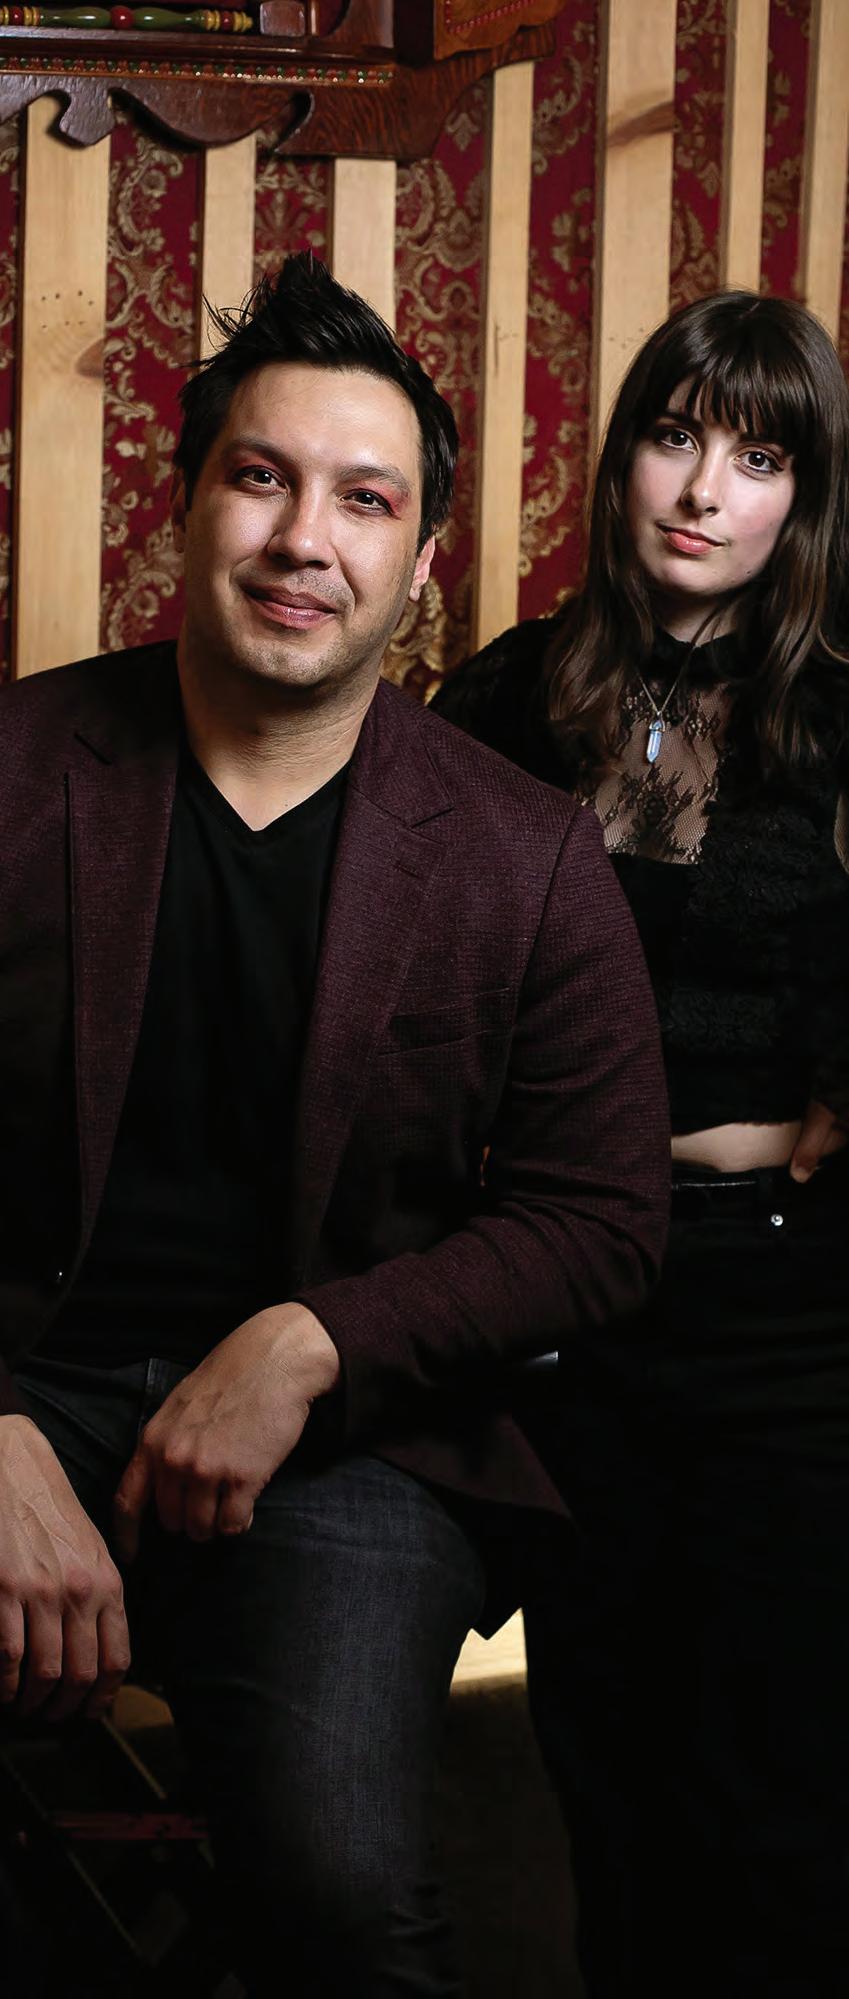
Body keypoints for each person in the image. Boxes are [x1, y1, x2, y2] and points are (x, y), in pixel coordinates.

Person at [0, 253, 667, 1996]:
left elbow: (601, 1220)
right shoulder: (14, 767)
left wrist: (311, 1344)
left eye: (364, 500)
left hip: (348, 1445)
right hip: (20, 1383)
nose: (306, 540)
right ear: (183, 505)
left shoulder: (525, 854)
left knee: (342, 1890)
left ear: (421, 561)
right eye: (261, 478)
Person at [434, 288, 849, 1999]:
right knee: (601, 1759)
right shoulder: (508, 696)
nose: (700, 491)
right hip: (570, 1293)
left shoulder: (834, 715)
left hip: (787, 1304)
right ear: (618, 460)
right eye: (673, 439)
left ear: (801, 497)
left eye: (755, 459)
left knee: (779, 1784)